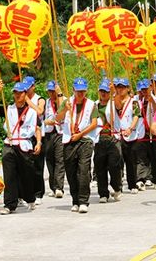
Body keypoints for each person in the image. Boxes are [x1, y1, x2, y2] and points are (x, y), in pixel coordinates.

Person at [56, 77, 98, 213]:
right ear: (73, 90)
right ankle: (75, 200)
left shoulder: (92, 104)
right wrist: (65, 110)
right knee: (71, 171)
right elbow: (58, 118)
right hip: (69, 140)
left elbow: (94, 123)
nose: (80, 94)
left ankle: (83, 200)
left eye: (83, 91)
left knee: (83, 170)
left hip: (85, 139)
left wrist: (80, 134)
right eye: (78, 91)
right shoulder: (67, 102)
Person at [0, 82, 40, 215]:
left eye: (20, 93)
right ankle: (9, 204)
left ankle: (30, 197)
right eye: (15, 93)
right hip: (9, 144)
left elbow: (37, 127)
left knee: (26, 174)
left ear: (25, 94)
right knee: (9, 175)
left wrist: (38, 142)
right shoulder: (8, 108)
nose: (17, 95)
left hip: (25, 145)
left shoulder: (32, 111)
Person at [93, 79, 123, 203]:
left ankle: (116, 187)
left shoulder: (113, 103)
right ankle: (103, 193)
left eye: (106, 91)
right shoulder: (94, 105)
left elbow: (119, 106)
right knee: (100, 166)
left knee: (114, 165)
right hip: (99, 139)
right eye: (102, 91)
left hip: (112, 138)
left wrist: (114, 92)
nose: (104, 94)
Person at [112, 77, 141, 194]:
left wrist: (131, 128)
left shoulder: (134, 102)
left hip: (130, 134)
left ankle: (132, 184)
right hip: (118, 134)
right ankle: (118, 185)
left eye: (123, 87)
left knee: (130, 160)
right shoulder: (114, 101)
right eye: (118, 87)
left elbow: (136, 116)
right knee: (117, 161)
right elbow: (116, 110)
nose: (120, 89)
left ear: (128, 88)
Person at [135, 79, 156, 189]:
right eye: (142, 90)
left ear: (151, 88)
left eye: (146, 89)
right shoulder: (137, 100)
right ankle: (141, 178)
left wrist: (152, 101)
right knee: (142, 157)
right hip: (142, 132)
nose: (144, 92)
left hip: (155, 132)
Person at [22, 76, 47, 206]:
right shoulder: (20, 98)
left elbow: (39, 111)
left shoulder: (39, 99)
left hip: (37, 135)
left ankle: (38, 193)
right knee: (24, 167)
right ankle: (24, 193)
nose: (26, 90)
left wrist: (27, 101)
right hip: (24, 136)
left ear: (33, 87)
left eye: (28, 87)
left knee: (37, 167)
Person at [42, 80, 65, 198]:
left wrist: (60, 94)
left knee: (60, 160)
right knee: (50, 160)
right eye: (49, 91)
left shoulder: (64, 100)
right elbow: (42, 118)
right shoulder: (46, 102)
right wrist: (45, 122)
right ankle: (53, 186)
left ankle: (59, 187)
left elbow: (62, 110)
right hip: (49, 133)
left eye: (53, 91)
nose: (51, 94)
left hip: (61, 133)